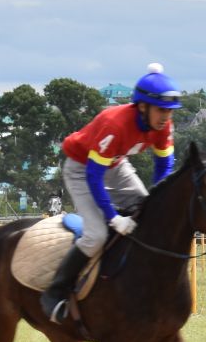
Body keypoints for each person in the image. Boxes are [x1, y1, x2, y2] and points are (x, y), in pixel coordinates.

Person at [43, 64, 181, 321]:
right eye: (161, 110)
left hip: (117, 165)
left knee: (148, 218)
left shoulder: (164, 126)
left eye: (170, 112)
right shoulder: (115, 124)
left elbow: (164, 165)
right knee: (96, 235)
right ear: (142, 107)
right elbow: (94, 176)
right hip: (82, 169)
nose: (166, 117)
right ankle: (56, 291)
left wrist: (156, 200)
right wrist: (113, 217)